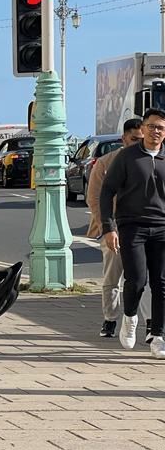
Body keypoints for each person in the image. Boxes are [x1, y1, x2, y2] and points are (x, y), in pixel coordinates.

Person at [100, 107, 165, 358]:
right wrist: (109, 227)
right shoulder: (127, 157)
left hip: (161, 227)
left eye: (160, 128)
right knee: (137, 280)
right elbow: (107, 191)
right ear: (143, 129)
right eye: (151, 127)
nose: (155, 132)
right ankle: (129, 318)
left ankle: (158, 335)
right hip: (131, 226)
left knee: (160, 283)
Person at [87, 119, 150, 340]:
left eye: (141, 140)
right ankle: (110, 319)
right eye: (134, 139)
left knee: (144, 278)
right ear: (123, 138)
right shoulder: (106, 162)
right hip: (114, 228)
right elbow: (94, 197)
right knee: (113, 277)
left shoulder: (149, 160)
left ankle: (150, 323)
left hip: (143, 229)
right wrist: (106, 226)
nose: (138, 143)